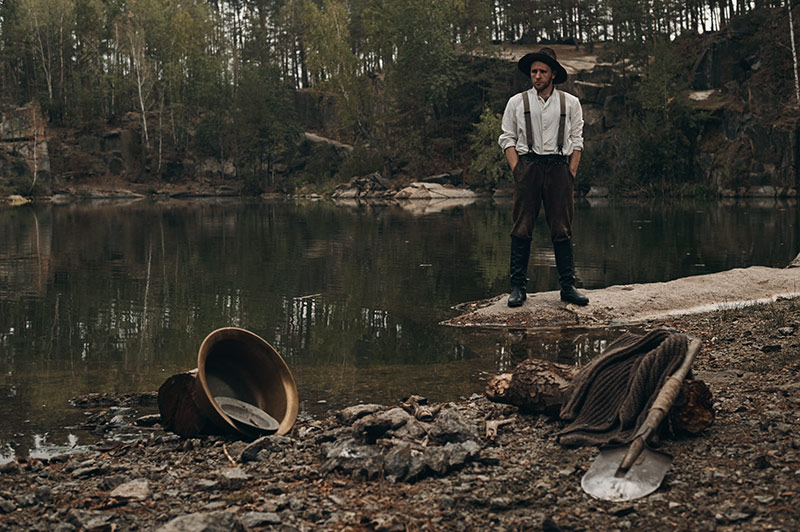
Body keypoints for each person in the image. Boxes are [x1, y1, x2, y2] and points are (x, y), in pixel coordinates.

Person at [498, 47, 589, 308]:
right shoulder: (517, 102)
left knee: (562, 228)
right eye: (534, 71)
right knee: (522, 226)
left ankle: (568, 287)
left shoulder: (570, 103)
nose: (537, 76)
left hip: (560, 168)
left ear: (553, 74)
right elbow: (507, 138)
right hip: (529, 167)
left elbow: (577, 140)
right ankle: (517, 288)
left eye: (542, 71)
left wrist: (570, 172)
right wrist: (518, 170)